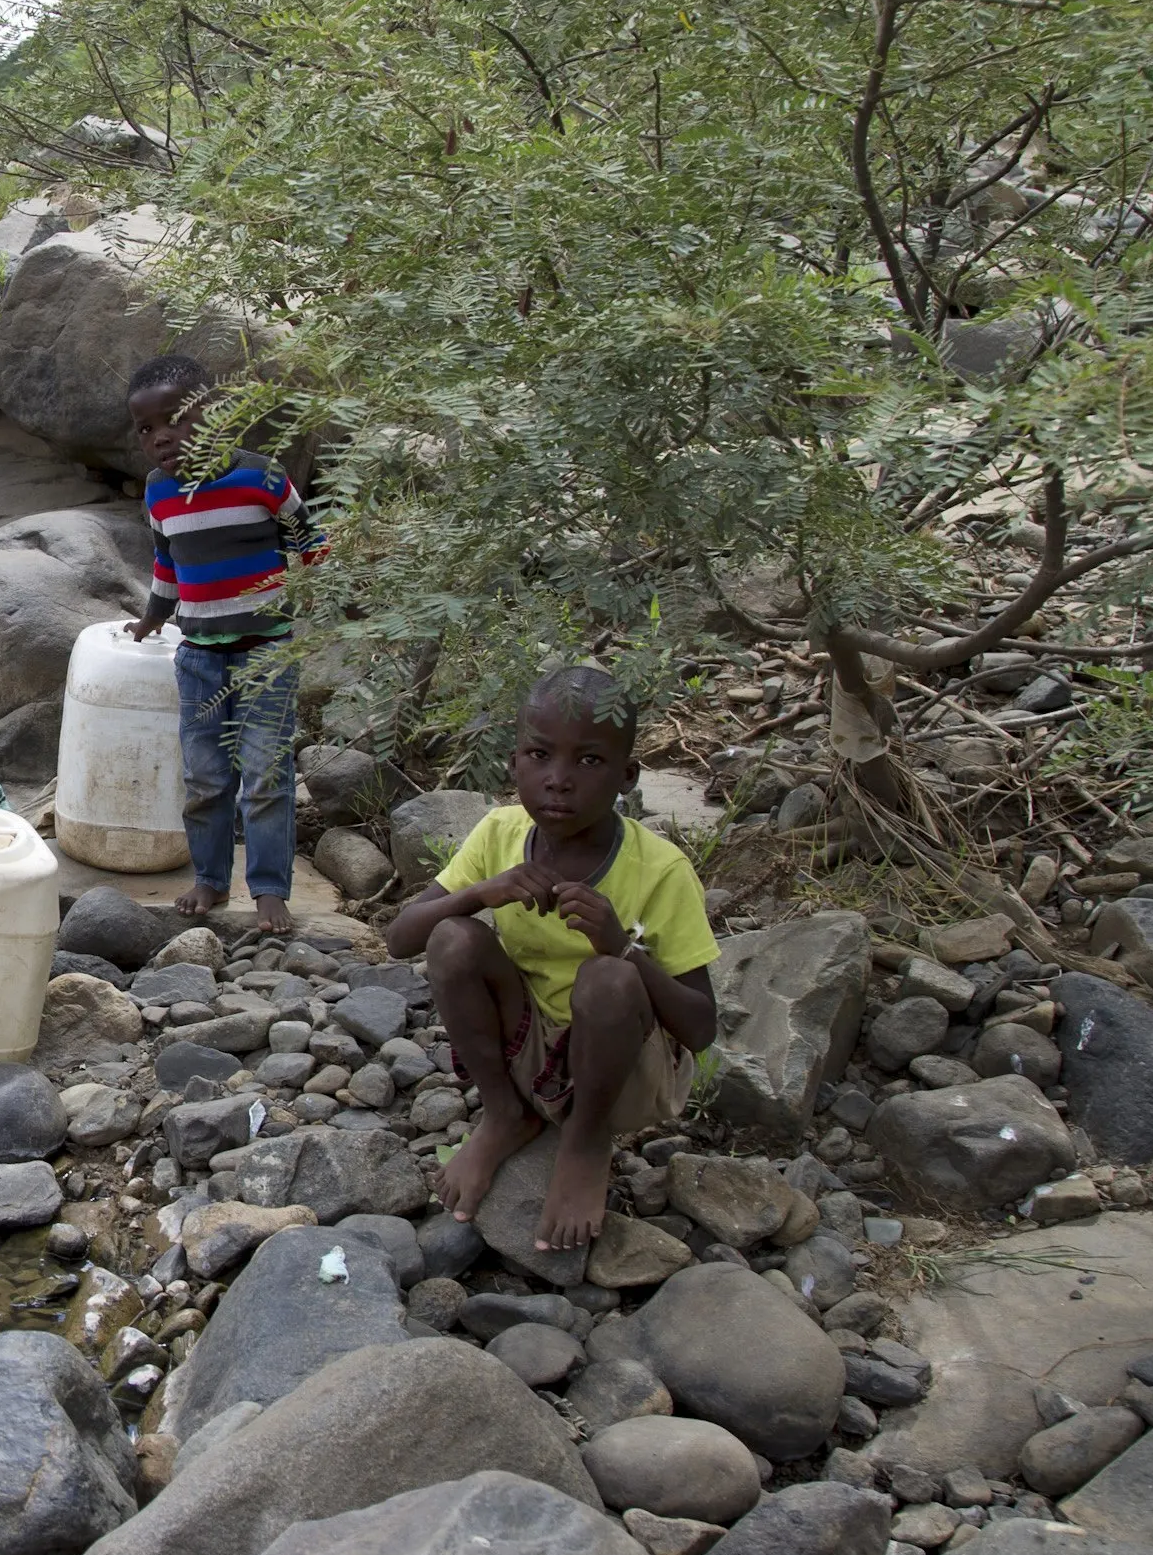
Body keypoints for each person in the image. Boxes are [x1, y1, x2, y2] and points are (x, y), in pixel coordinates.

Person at [377, 665, 720, 1251]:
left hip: (622, 1069)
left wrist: (624, 948)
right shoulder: (499, 834)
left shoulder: (660, 870)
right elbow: (400, 938)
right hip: (528, 1052)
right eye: (539, 755)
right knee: (452, 937)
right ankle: (505, 1113)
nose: (558, 780)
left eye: (588, 761)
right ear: (513, 763)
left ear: (627, 776)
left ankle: (585, 1142)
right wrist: (478, 893)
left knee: (608, 978)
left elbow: (700, 1026)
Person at [120, 353, 322, 936]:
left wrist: (333, 598)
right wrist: (153, 618)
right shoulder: (159, 493)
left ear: (212, 415)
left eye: (175, 421)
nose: (162, 438)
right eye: (146, 429)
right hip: (201, 655)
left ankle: (268, 890)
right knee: (206, 778)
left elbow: (308, 538)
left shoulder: (262, 477)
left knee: (265, 775)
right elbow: (167, 563)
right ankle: (210, 878)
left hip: (267, 652)